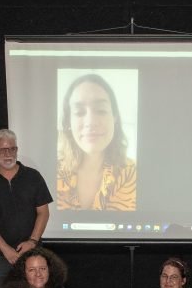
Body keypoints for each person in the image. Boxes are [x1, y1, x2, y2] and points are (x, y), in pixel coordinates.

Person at [0, 128, 52, 288]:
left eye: (12, 148)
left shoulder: (33, 177)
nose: (8, 153)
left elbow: (43, 213)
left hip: (32, 253)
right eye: (3, 149)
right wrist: (6, 250)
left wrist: (32, 242)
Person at [56, 73, 137, 211]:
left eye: (101, 110)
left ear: (114, 117)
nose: (90, 122)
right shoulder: (51, 171)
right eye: (79, 112)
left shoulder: (132, 173)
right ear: (69, 122)